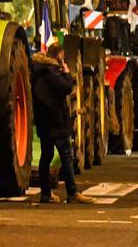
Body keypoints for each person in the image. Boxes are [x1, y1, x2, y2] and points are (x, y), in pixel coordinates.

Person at [32, 41, 93, 204]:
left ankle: (45, 193)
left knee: (46, 156)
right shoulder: (52, 72)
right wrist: (67, 73)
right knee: (67, 155)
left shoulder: (38, 71)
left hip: (44, 121)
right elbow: (66, 87)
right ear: (59, 55)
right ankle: (72, 192)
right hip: (56, 121)